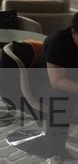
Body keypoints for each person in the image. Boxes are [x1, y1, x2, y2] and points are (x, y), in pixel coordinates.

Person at [42, 12, 78, 163]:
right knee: (61, 100)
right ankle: (54, 153)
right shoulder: (57, 42)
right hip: (47, 80)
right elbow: (57, 81)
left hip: (72, 77)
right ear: (74, 32)